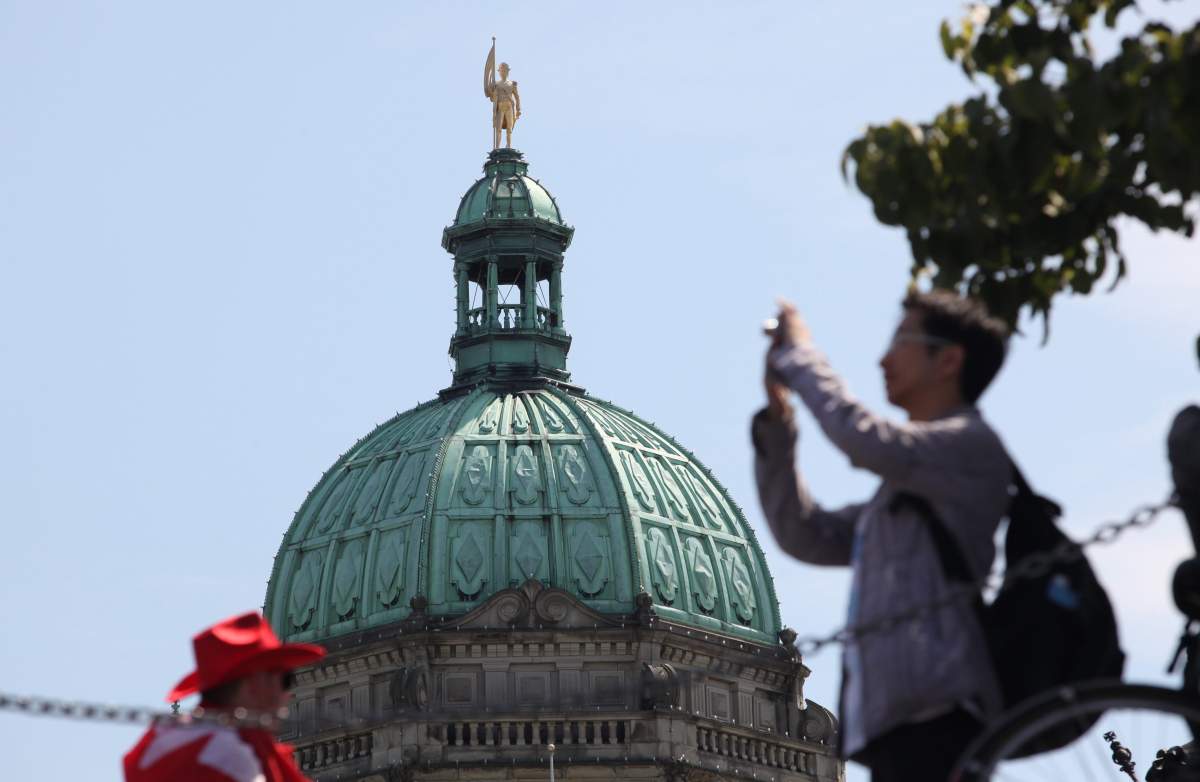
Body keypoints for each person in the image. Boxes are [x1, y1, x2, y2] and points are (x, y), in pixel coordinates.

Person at [752, 291, 1011, 781]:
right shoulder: (907, 488)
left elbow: (865, 439)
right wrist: (779, 419)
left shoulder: (968, 447)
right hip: (893, 717)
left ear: (949, 360)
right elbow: (803, 532)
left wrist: (801, 356)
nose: (883, 358)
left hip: (942, 707)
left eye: (902, 341)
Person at [123, 611, 325, 782]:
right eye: (286, 680)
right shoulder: (231, 757)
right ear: (253, 685)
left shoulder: (164, 735)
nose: (287, 695)